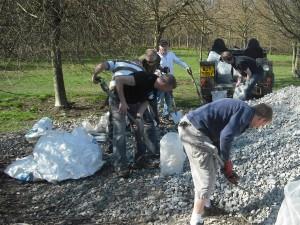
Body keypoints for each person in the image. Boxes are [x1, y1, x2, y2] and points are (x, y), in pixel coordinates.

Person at [178, 98, 273, 225]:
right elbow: (226, 136)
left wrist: (224, 165)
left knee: (209, 170)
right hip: (194, 131)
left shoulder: (244, 110)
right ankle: (196, 220)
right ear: (262, 119)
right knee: (205, 178)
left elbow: (219, 132)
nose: (259, 127)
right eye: (263, 124)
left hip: (192, 127)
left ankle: (206, 205)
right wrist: (226, 160)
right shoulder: (245, 114)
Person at [93, 63, 176, 177]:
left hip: (134, 102)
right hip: (118, 99)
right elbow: (119, 80)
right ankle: (120, 166)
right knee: (120, 132)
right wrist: (122, 101)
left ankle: (140, 160)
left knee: (140, 128)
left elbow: (147, 101)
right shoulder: (144, 78)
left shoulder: (156, 89)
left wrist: (138, 117)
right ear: (164, 83)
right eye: (168, 89)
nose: (167, 92)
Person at [157, 39, 192, 117]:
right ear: (159, 48)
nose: (164, 50)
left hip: (169, 81)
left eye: (165, 49)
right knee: (159, 100)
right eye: (162, 49)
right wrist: (159, 72)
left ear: (168, 47)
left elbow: (179, 61)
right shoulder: (156, 56)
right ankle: (156, 116)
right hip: (160, 83)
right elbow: (154, 69)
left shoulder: (171, 54)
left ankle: (166, 114)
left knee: (169, 99)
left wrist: (186, 67)